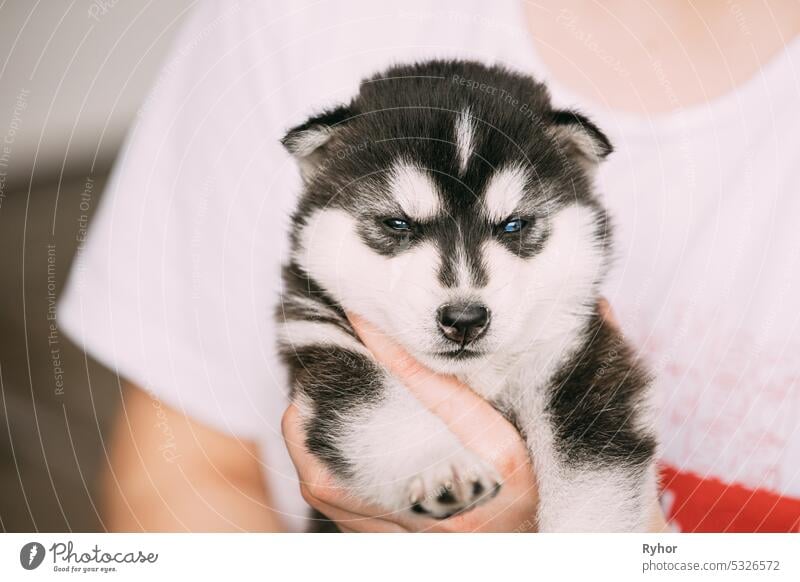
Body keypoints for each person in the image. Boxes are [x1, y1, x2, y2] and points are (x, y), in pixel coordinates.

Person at [59, 0, 800, 532]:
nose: (462, 289)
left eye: (515, 227)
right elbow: (182, 476)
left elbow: (603, 476)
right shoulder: (287, 21)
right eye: (394, 227)